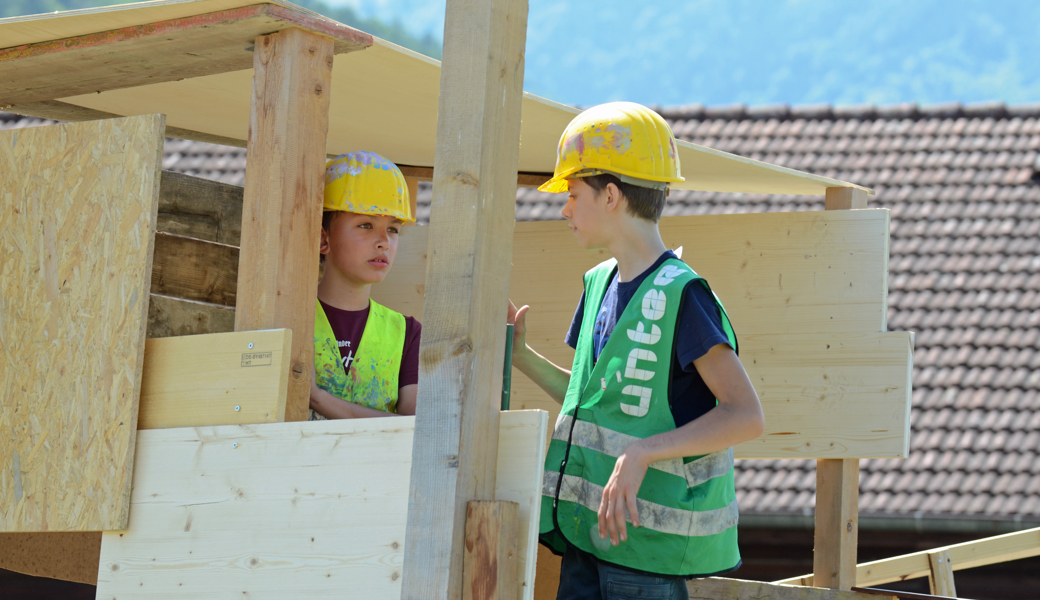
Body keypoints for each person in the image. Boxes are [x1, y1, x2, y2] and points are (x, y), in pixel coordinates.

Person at [508, 102, 765, 599]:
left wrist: (644, 453)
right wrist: (523, 358)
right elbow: (593, 406)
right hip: (588, 541)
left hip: (647, 555)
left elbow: (746, 416)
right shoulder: (599, 283)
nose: (563, 207)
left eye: (572, 193)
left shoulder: (685, 296)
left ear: (610, 195)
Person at [311, 151, 421, 420]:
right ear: (322, 239)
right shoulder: (286, 316)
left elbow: (415, 432)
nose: (384, 241)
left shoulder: (407, 333)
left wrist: (317, 398)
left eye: (393, 229)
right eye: (366, 225)